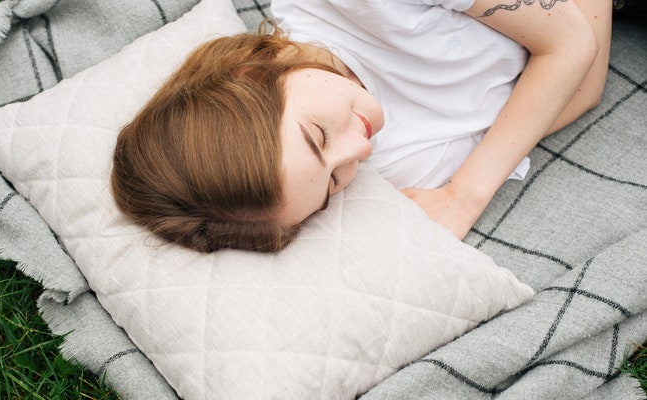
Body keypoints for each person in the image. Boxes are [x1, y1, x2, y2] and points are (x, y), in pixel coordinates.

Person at [111, 0, 611, 252]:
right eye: (332, 183)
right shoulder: (384, 160)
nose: (359, 151)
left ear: (253, 76)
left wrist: (464, 196)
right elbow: (580, 91)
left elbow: (571, 46)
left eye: (318, 137)